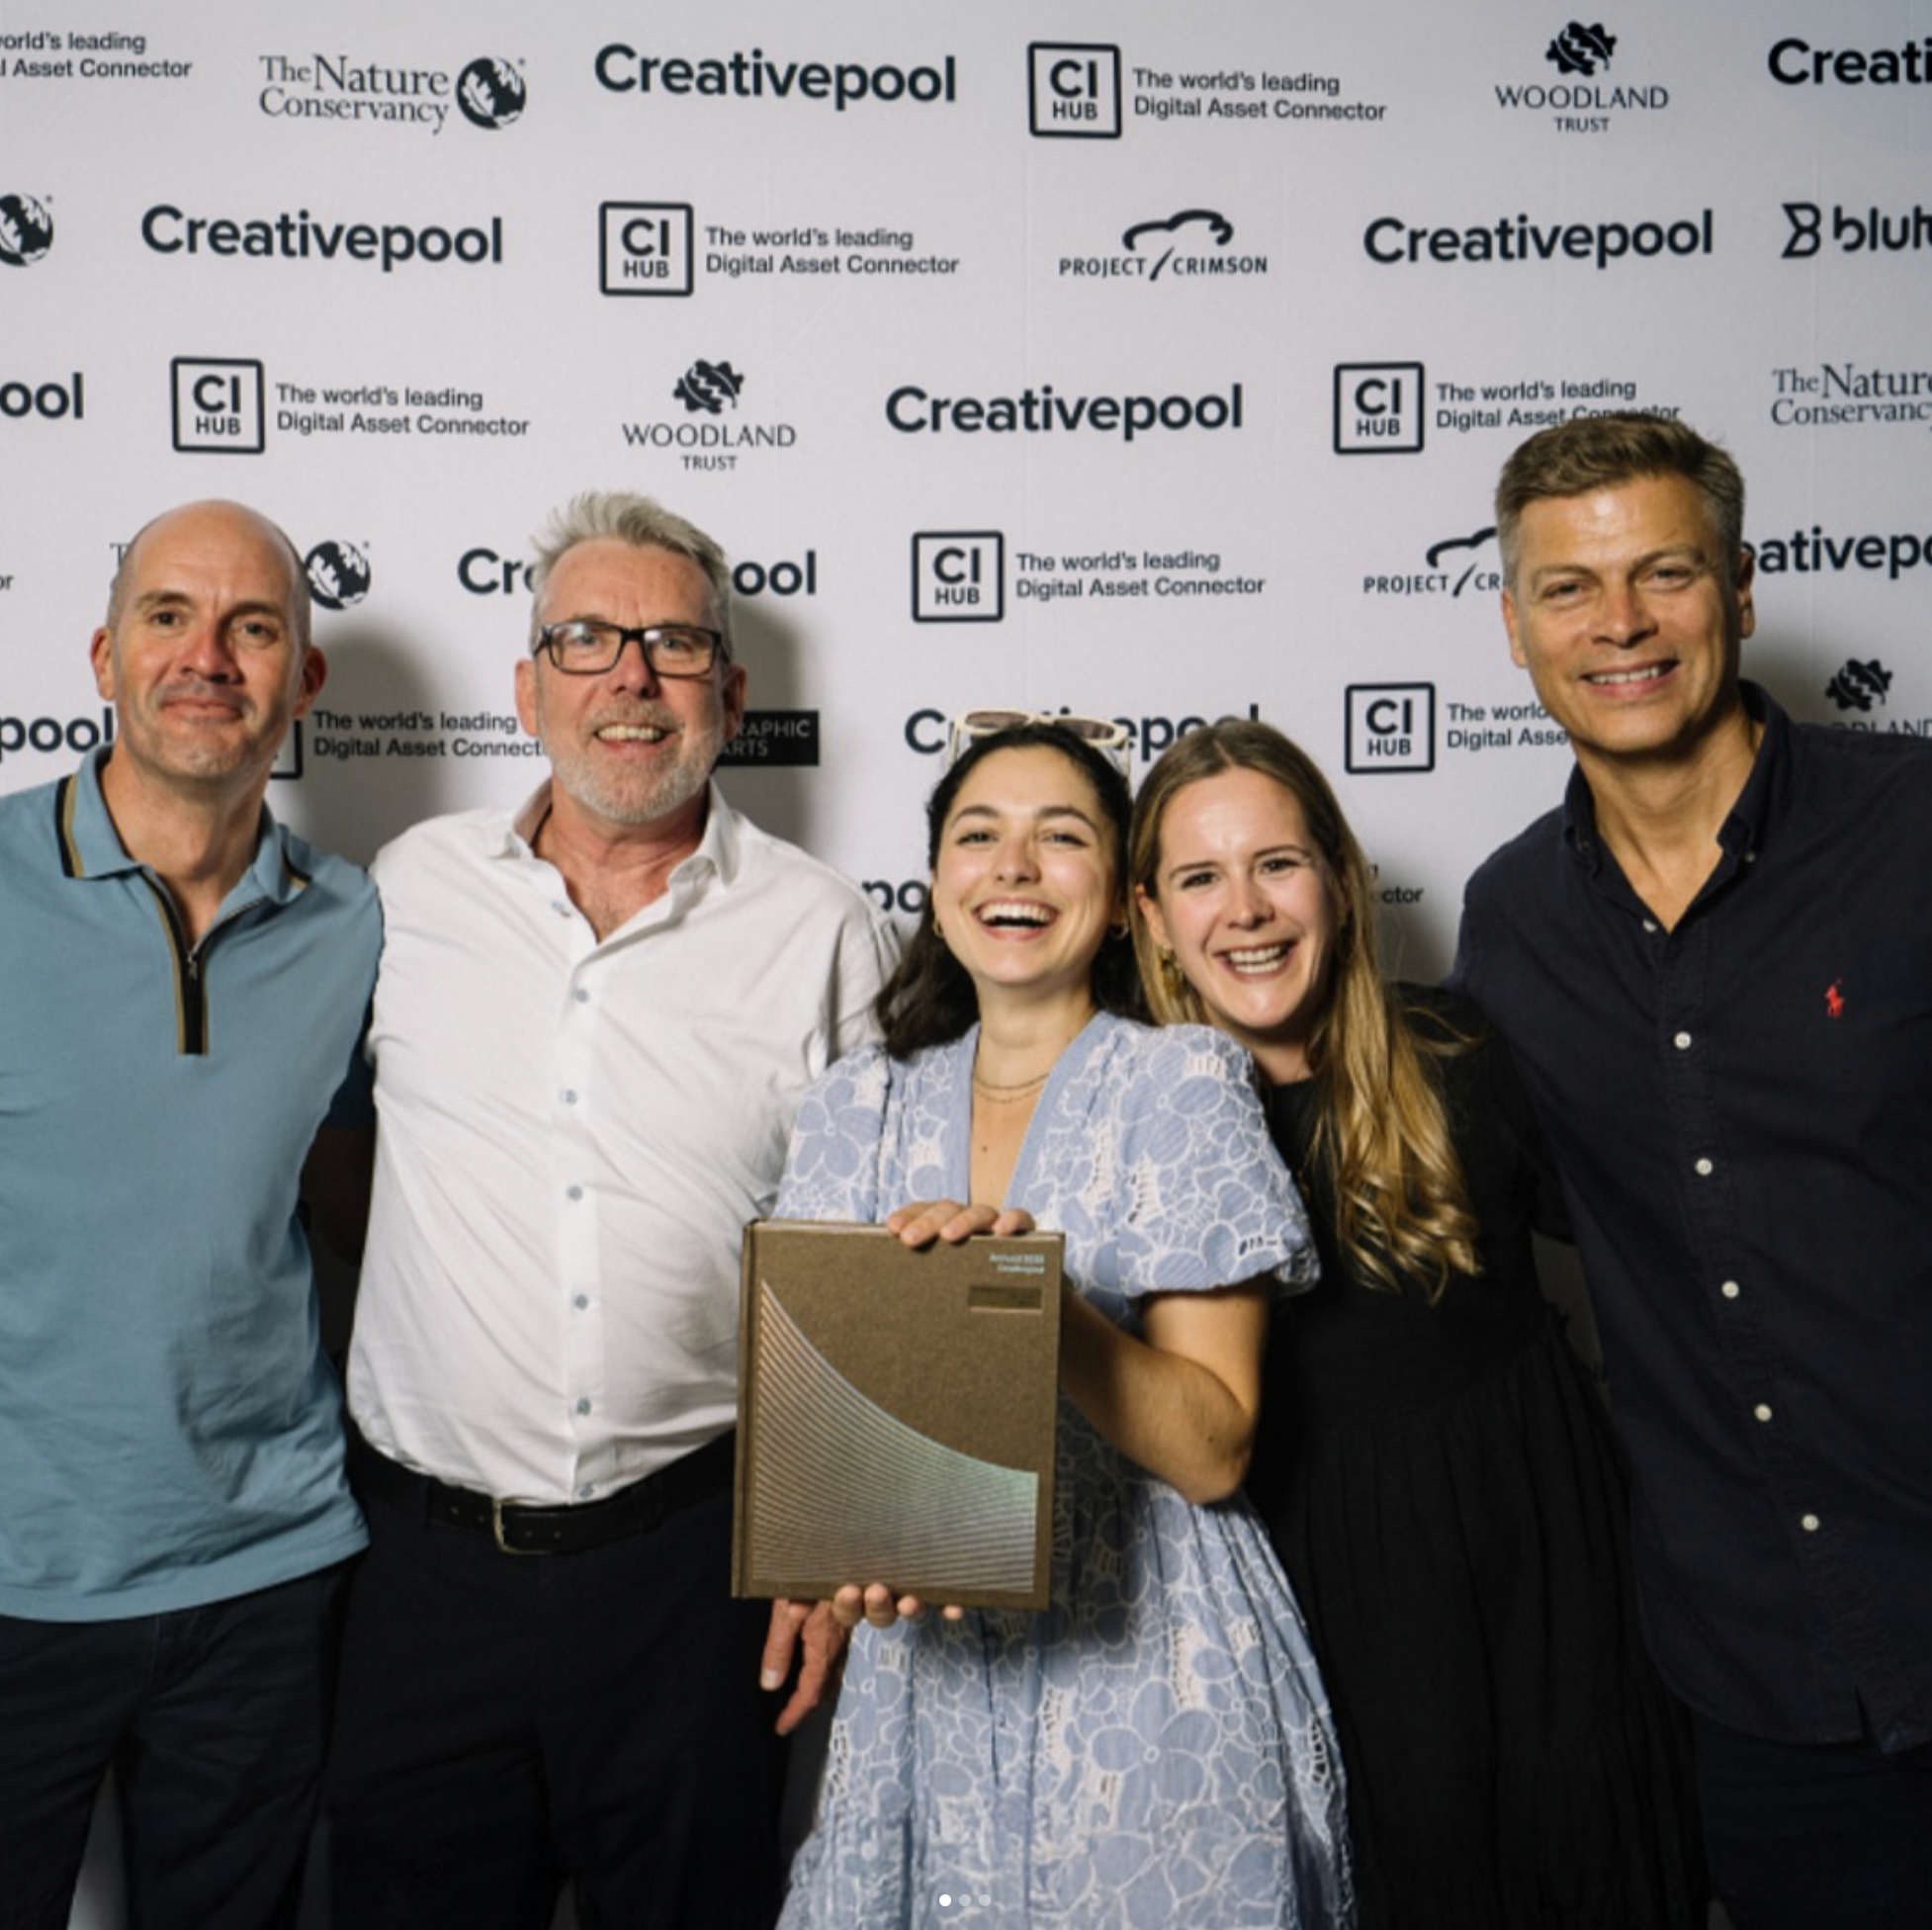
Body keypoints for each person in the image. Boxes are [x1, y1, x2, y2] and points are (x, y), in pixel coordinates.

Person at [324, 492, 899, 1930]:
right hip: (419, 1579)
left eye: (671, 643)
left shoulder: (825, 930)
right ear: (528, 688)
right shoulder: (408, 892)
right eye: (584, 639)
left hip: (689, 1583)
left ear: (731, 691)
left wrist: (833, 1556)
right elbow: (323, 1160)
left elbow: (876, 1260)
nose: (628, 677)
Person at [1450, 412, 1932, 1928]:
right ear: (1513, 623)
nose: (1620, 626)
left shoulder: (1913, 829)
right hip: (1757, 1673)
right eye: (1569, 588)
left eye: (1661, 574)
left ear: (1735, 585)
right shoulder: (1510, 921)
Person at [771, 716, 1353, 1930]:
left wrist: (1033, 1299)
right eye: (979, 836)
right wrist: (842, 1567)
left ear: (1125, 899)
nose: (1016, 867)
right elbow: (842, 1458)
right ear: (935, 889)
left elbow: (1215, 1448)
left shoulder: (1181, 1084)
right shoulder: (854, 1107)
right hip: (922, 1685)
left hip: (1148, 1674)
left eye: (1063, 837)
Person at [1130, 719, 1706, 1928]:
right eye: (1199, 876)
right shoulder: (1135, 1131)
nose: (1245, 907)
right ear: (1153, 919)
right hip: (1316, 1593)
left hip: (1542, 1563)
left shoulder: (1463, 1052)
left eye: (1276, 862)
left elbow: (1677, 1259)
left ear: (1338, 877)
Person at [0, 500, 379, 1929]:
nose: (205, 656)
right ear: (102, 654)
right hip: (14, 1580)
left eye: (253, 626)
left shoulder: (352, 919)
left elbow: (348, 1196)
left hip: (269, 1580)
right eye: (168, 616)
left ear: (304, 681)